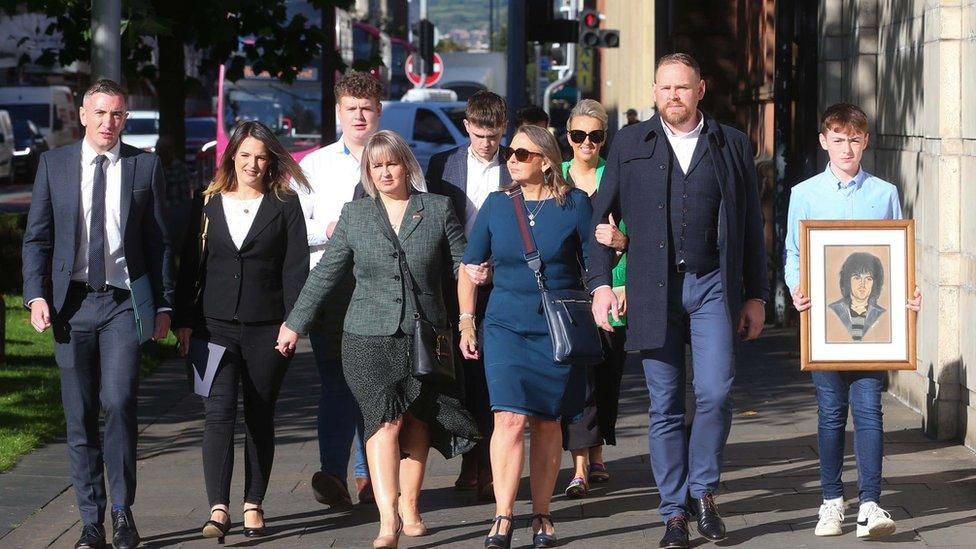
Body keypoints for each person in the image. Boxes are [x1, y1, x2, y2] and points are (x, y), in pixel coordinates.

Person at [588, 53, 768, 549]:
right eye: (665, 88)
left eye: (683, 88)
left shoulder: (731, 144)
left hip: (713, 284)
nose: (674, 96)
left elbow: (752, 225)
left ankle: (704, 491)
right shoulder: (629, 144)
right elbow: (601, 225)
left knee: (714, 391)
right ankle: (673, 512)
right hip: (652, 288)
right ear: (653, 92)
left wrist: (756, 295)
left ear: (701, 89)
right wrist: (601, 285)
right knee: (665, 404)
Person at [277, 131, 479, 548]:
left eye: (391, 163)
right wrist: (294, 324)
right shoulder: (356, 215)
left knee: (417, 423)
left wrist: (471, 300)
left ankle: (410, 505)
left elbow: (464, 264)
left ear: (406, 164)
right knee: (383, 424)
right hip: (367, 337)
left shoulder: (437, 209)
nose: (385, 172)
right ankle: (388, 520)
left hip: (425, 335)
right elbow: (325, 275)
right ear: (368, 172)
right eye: (376, 165)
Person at [21, 79, 174, 549]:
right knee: (80, 414)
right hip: (70, 306)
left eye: (118, 115)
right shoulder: (55, 164)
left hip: (121, 304)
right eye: (102, 113)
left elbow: (159, 241)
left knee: (120, 402)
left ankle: (122, 511)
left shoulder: (144, 167)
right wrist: (36, 296)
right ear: (84, 115)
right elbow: (38, 239)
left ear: (125, 119)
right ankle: (91, 521)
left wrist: (164, 303)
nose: (110, 123)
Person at [785, 102, 922, 540]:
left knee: (869, 411)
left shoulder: (883, 192)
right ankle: (830, 502)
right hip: (824, 326)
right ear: (825, 141)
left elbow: (897, 254)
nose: (847, 147)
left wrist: (907, 295)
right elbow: (794, 252)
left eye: (855, 139)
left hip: (874, 332)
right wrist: (795, 289)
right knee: (829, 414)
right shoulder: (805, 193)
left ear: (866, 141)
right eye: (839, 139)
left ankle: (870, 504)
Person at [173, 120, 309, 542]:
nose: (252, 163)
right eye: (245, 154)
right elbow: (189, 267)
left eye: (261, 156)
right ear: (232, 155)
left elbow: (295, 269)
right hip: (211, 328)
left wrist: (294, 322)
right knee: (216, 413)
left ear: (271, 161)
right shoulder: (207, 202)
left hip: (267, 329)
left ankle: (253, 503)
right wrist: (182, 321)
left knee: (258, 415)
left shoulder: (285, 203)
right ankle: (219, 506)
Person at [459, 124, 592, 549]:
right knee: (509, 419)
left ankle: (542, 514)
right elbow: (469, 265)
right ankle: (502, 515)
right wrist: (466, 319)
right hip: (505, 326)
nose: (510, 159)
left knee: (548, 421)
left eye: (521, 153)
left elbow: (595, 264)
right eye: (510, 153)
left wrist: (611, 288)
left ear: (547, 161)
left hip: (554, 330)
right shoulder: (498, 205)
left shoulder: (575, 205)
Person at [293, 70, 383, 507]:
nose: (360, 116)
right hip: (330, 292)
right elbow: (294, 226)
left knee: (371, 384)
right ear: (338, 112)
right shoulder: (314, 165)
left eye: (367, 108)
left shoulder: (398, 158)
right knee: (335, 383)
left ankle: (369, 476)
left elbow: (419, 213)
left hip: (380, 293)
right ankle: (333, 473)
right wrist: (328, 228)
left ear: (378, 111)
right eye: (352, 109)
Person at [425, 90, 511, 500]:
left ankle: (489, 463)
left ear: (503, 129)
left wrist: (497, 261)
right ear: (467, 128)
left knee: (495, 375)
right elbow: (434, 226)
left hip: (503, 282)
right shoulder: (444, 165)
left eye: (493, 136)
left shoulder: (517, 163)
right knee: (463, 374)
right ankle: (470, 459)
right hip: (455, 283)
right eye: (479, 135)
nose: (486, 144)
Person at [558, 99, 628, 499]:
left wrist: (623, 242)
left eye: (595, 135)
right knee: (575, 380)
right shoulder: (555, 176)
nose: (587, 142)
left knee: (606, 376)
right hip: (569, 291)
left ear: (604, 138)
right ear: (567, 137)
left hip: (614, 289)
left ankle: (598, 452)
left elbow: (637, 233)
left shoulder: (615, 176)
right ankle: (580, 466)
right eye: (579, 135)